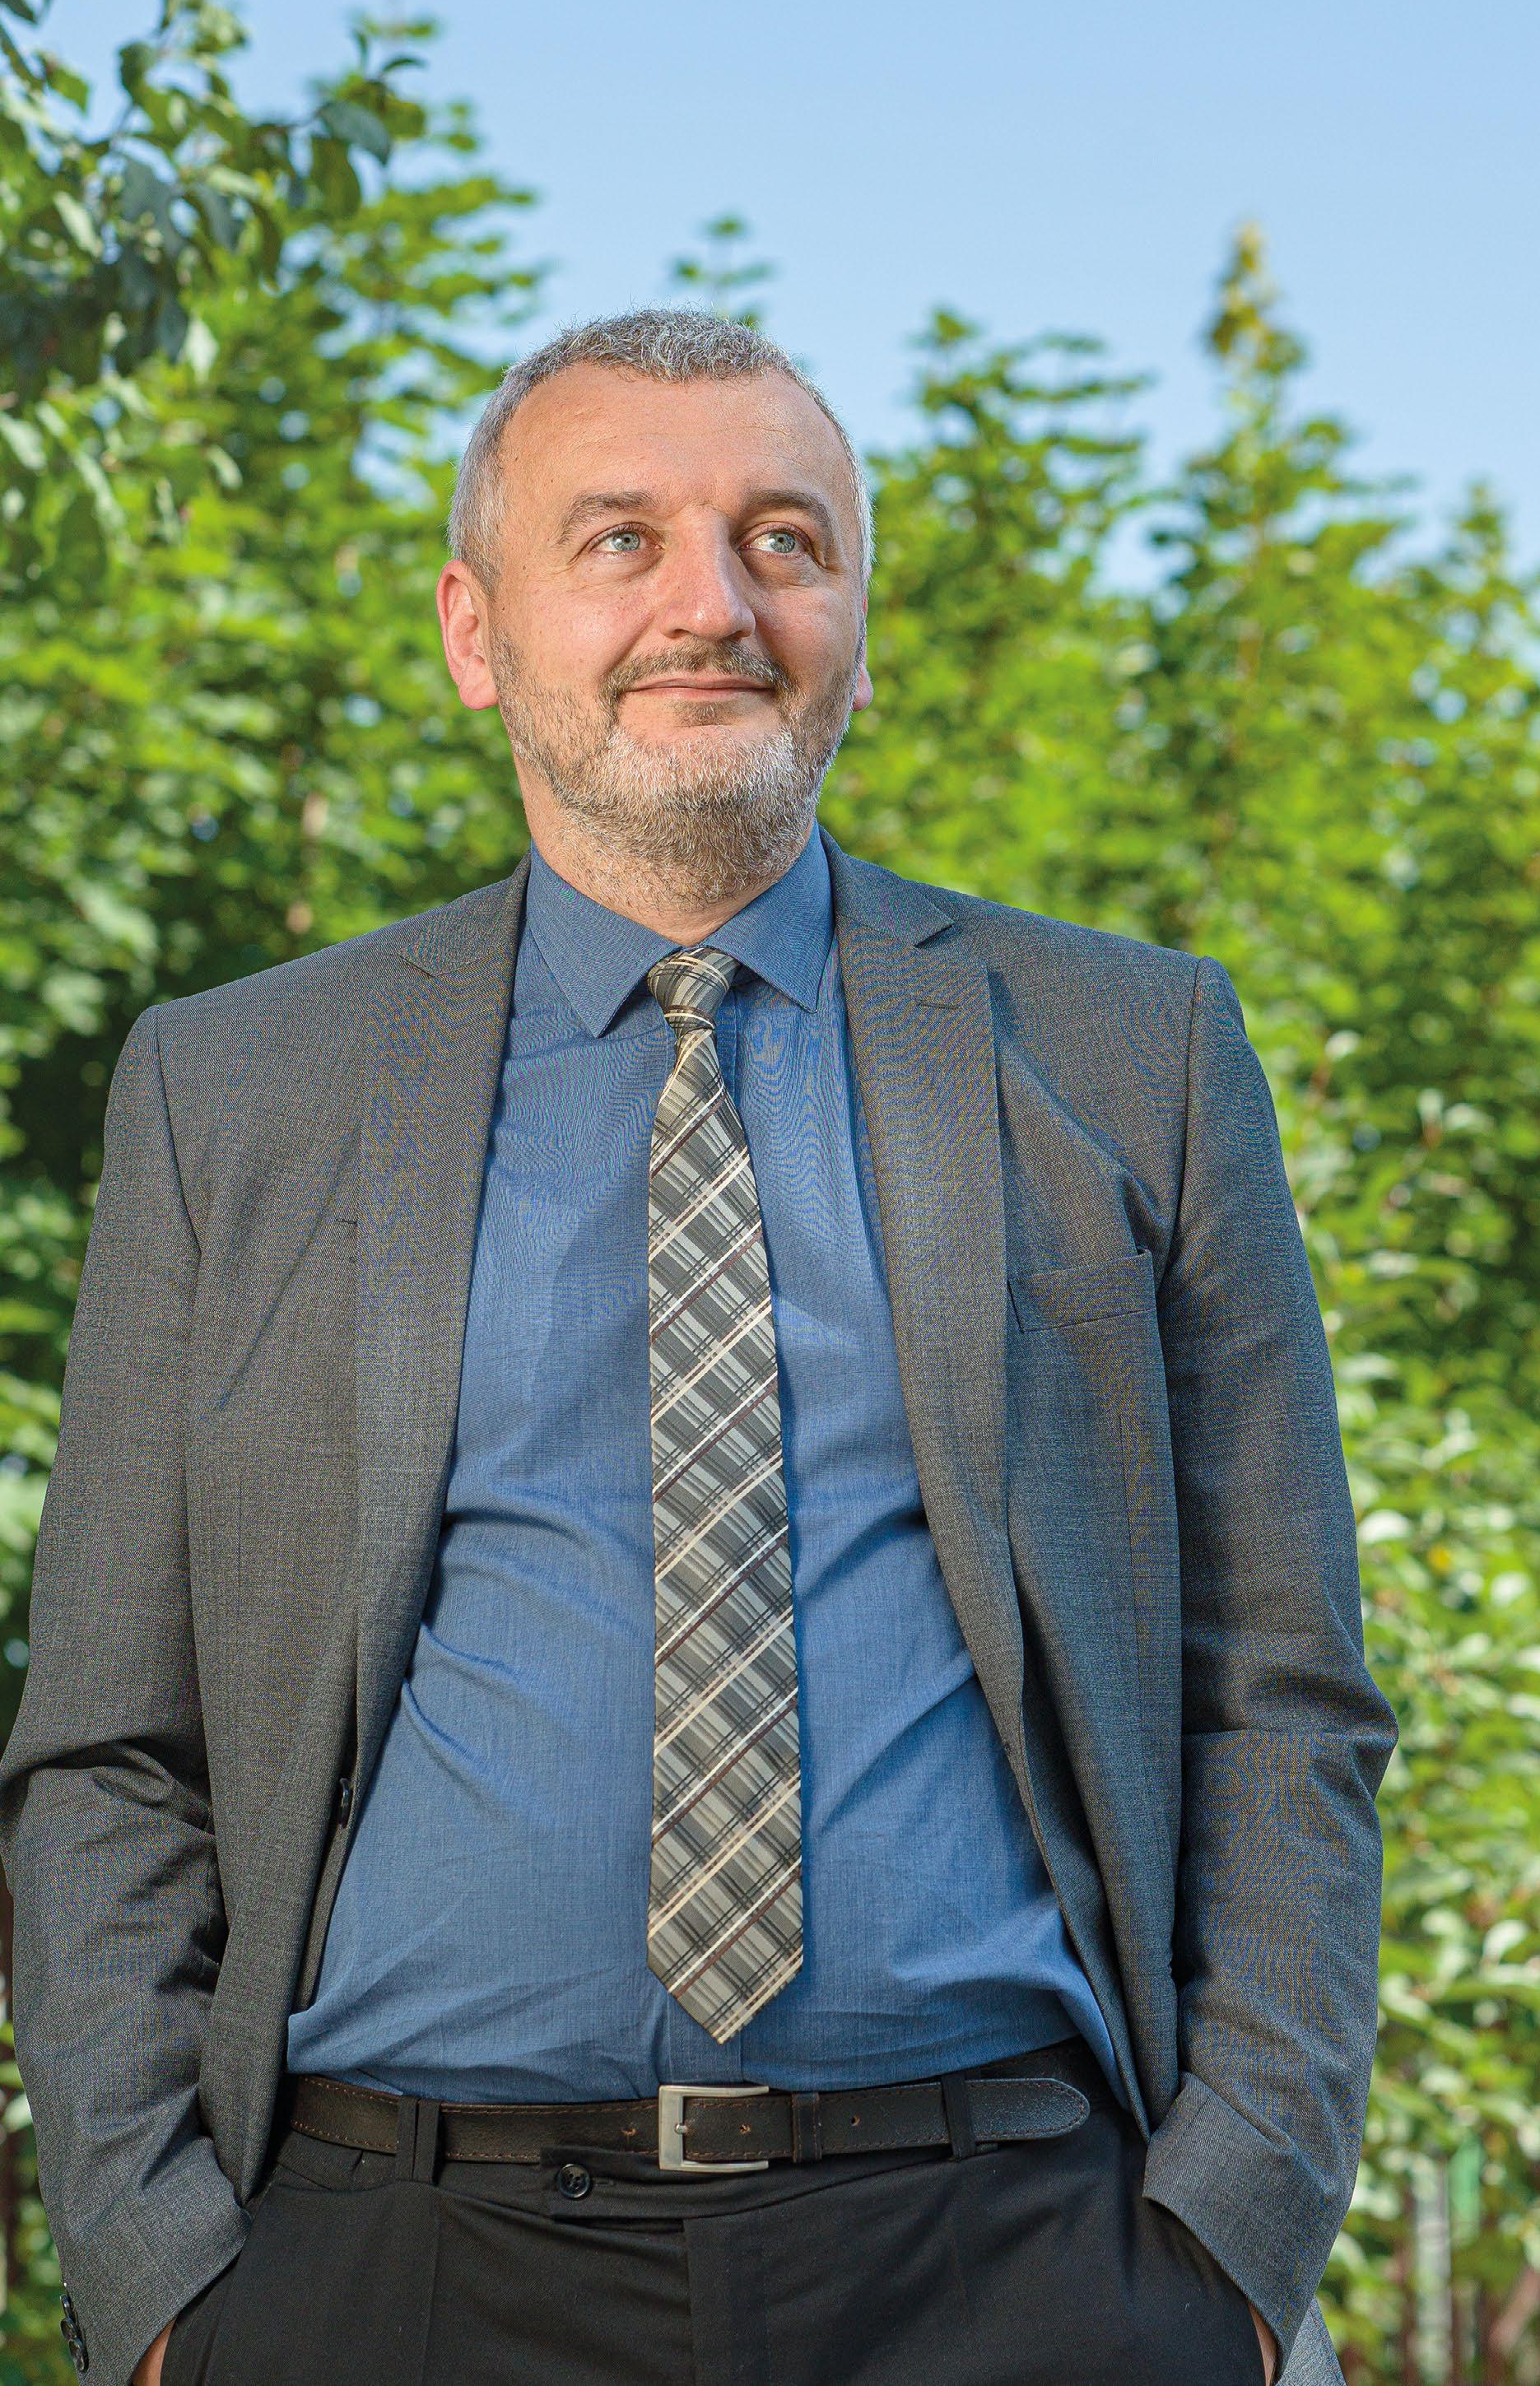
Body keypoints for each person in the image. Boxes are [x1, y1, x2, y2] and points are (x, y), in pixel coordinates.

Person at [0, 311, 1395, 2386]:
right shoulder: (237, 1091)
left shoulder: (1134, 1055)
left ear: (857, 628)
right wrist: (159, 2284)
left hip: (1021, 2268)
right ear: (476, 633)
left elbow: (1281, 1694)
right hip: (392, 2278)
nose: (713, 604)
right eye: (621, 539)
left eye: (783, 540)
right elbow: (112, 1745)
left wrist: (1236, 2254)